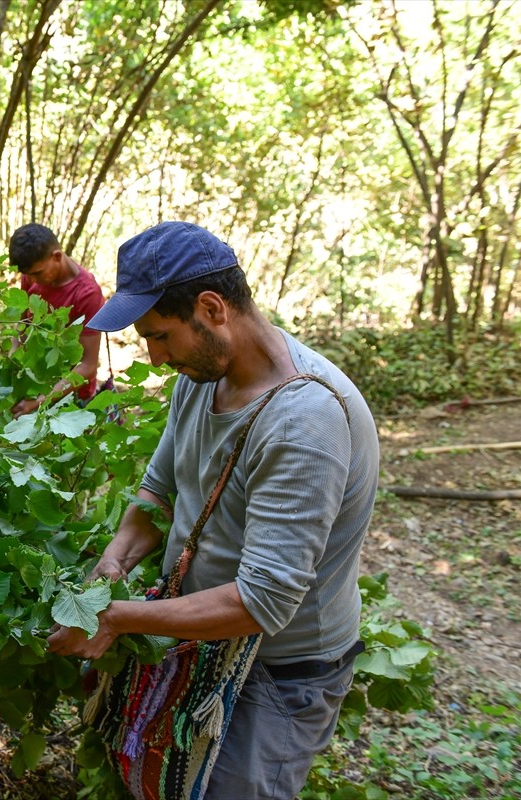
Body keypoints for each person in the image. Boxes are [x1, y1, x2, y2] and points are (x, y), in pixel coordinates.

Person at [46, 221, 378, 799]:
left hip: (281, 670)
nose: (154, 354)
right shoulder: (201, 378)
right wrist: (111, 566)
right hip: (203, 638)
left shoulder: (303, 421)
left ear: (212, 308)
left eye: (162, 335)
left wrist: (119, 617)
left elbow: (262, 601)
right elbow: (156, 493)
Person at [7, 223, 106, 417]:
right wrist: (15, 352)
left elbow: (88, 365)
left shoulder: (87, 294)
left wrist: (40, 402)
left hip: (72, 398)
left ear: (57, 256)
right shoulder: (32, 274)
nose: (32, 281)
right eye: (27, 275)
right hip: (34, 386)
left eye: (37, 273)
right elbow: (23, 324)